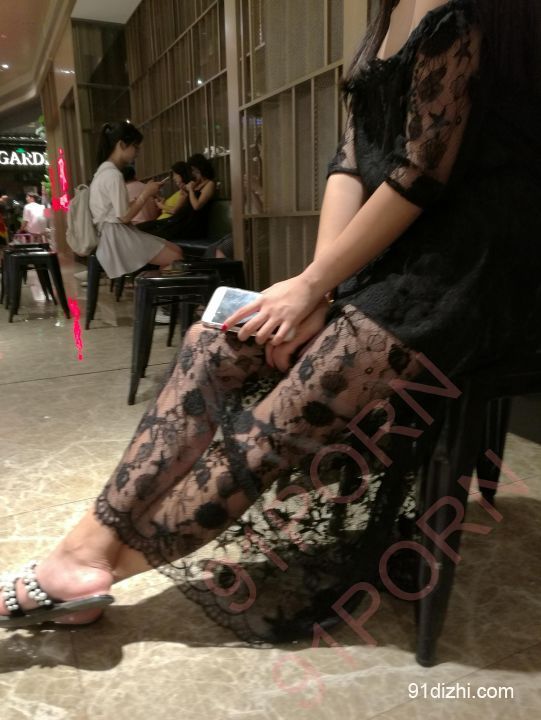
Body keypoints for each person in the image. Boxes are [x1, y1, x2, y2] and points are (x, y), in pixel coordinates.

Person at [1, 0, 541, 644]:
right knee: (213, 342)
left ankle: (91, 571)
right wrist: (319, 288)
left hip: (470, 275)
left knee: (289, 410)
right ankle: (83, 551)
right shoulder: (389, 14)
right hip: (389, 264)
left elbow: (419, 174)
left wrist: (313, 287)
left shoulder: (471, 14)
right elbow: (349, 164)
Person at [88, 121, 182, 280]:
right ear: (121, 145)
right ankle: (149, 290)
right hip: (117, 238)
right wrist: (146, 193)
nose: (137, 152)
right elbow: (124, 217)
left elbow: (116, 211)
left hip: (113, 235)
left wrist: (145, 194)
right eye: (135, 147)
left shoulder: (102, 172)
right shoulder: (113, 175)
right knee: (176, 257)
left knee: (176, 252)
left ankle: (150, 290)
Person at [139, 153, 216, 242]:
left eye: (194, 170)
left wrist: (191, 190)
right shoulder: (196, 184)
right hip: (180, 221)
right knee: (143, 227)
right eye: (191, 170)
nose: (193, 173)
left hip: (191, 226)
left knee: (152, 234)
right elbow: (184, 201)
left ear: (201, 169)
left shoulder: (210, 184)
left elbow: (196, 206)